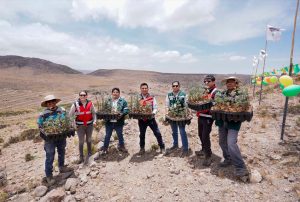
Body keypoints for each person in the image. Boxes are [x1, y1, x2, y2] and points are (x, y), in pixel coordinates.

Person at [216, 77, 249, 178]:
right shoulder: (222, 94)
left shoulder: (241, 94)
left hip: (233, 123)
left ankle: (241, 167)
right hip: (222, 121)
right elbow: (217, 104)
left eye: (231, 82)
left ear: (236, 83)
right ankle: (228, 158)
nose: (229, 84)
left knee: (231, 143)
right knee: (222, 142)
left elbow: (244, 105)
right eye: (228, 82)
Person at [37, 95, 72, 185]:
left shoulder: (62, 110)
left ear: (55, 102)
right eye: (49, 102)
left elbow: (67, 120)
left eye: (52, 101)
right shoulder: (43, 114)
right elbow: (40, 126)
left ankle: (61, 167)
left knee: (62, 151)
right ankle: (49, 175)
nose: (51, 103)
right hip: (50, 139)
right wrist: (45, 132)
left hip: (61, 136)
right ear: (46, 104)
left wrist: (70, 127)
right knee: (50, 156)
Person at [96, 88, 129, 157]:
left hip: (118, 121)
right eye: (114, 92)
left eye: (117, 92)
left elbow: (126, 110)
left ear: (119, 93)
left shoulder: (123, 101)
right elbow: (104, 109)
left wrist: (122, 113)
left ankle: (122, 146)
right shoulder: (108, 101)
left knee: (120, 134)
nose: (115, 93)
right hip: (109, 122)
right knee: (107, 135)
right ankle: (105, 148)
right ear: (112, 93)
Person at [195, 75, 218, 166]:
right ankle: (204, 149)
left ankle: (208, 155)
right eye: (205, 81)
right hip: (201, 115)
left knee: (205, 136)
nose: (206, 83)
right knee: (200, 134)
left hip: (208, 117)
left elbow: (215, 104)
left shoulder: (216, 92)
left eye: (208, 81)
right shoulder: (205, 90)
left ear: (213, 81)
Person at [69, 90, 97, 164]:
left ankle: (90, 154)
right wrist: (73, 125)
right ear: (79, 96)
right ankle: (81, 157)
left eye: (84, 95)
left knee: (89, 140)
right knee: (81, 141)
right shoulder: (75, 104)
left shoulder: (90, 104)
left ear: (86, 96)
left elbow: (94, 113)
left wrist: (94, 121)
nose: (82, 96)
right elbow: (70, 115)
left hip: (89, 125)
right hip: (80, 126)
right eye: (81, 95)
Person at [137, 83, 165, 155]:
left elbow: (155, 107)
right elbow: (135, 108)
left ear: (148, 89)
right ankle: (142, 148)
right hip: (141, 120)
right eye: (142, 88)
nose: (144, 89)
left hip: (151, 119)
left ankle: (162, 147)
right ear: (140, 89)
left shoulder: (152, 97)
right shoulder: (138, 98)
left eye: (145, 88)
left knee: (157, 133)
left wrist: (152, 113)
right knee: (142, 134)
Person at [165, 81, 189, 157]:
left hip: (181, 116)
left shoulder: (184, 94)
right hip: (172, 116)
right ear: (172, 87)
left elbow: (186, 105)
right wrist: (166, 114)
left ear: (179, 86)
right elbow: (167, 105)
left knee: (182, 131)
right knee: (174, 131)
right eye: (173, 86)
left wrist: (186, 114)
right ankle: (175, 145)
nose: (175, 87)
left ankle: (185, 149)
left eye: (176, 86)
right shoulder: (169, 95)